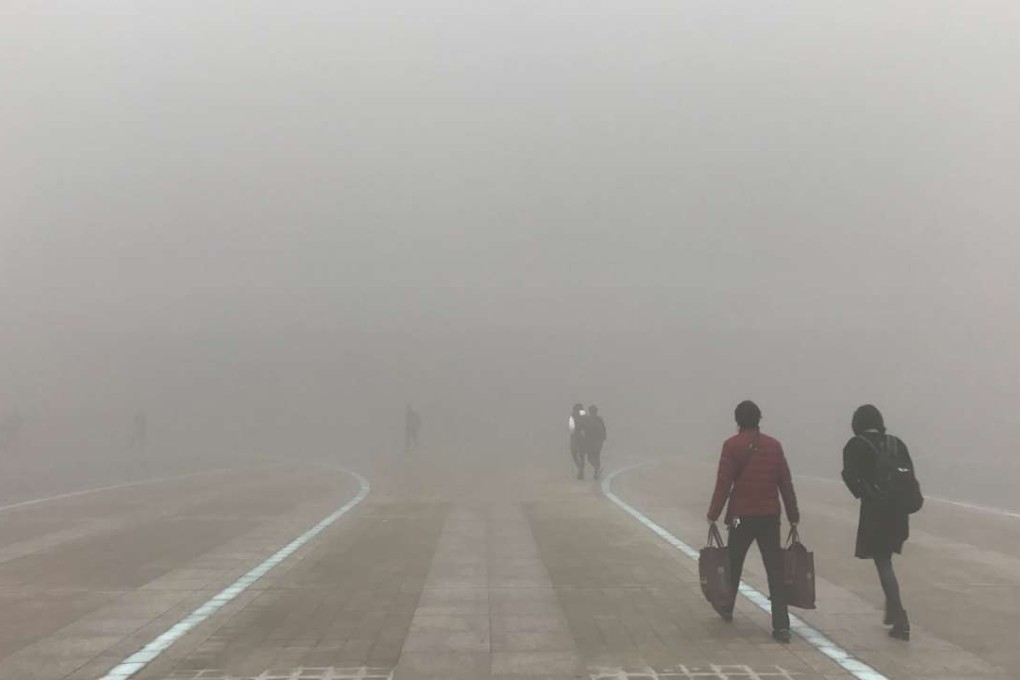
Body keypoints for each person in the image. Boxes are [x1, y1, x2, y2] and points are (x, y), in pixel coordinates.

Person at [707, 400, 800, 643]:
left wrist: (713, 514)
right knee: (774, 570)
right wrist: (793, 516)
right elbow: (785, 483)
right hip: (769, 518)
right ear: (759, 418)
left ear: (738, 420)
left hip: (739, 518)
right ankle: (781, 626)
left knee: (734, 561)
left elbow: (724, 483)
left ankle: (727, 607)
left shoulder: (731, 446)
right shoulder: (774, 446)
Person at [841, 404, 913, 641]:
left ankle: (900, 617)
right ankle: (892, 611)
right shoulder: (895, 443)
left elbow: (853, 482)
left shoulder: (856, 445)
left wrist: (867, 490)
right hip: (899, 514)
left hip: (876, 513)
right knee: (886, 559)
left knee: (883, 563)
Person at [584, 404, 607, 480]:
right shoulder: (589, 419)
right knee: (591, 457)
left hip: (595, 442)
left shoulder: (597, 419)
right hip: (592, 442)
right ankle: (596, 468)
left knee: (593, 457)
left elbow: (603, 430)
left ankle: (596, 471)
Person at [568, 403, 587, 479]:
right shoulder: (583, 415)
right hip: (582, 436)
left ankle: (580, 469)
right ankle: (581, 469)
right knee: (581, 455)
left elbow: (571, 428)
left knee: (574, 453)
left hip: (576, 436)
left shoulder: (573, 416)